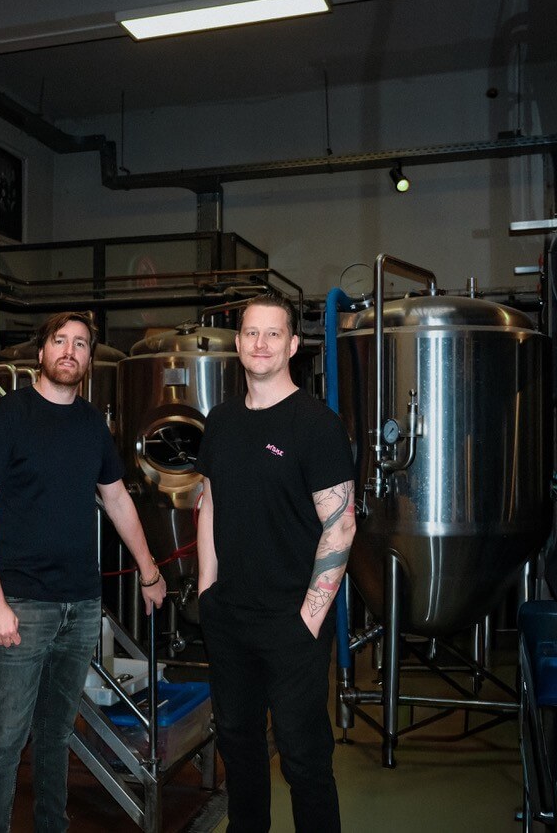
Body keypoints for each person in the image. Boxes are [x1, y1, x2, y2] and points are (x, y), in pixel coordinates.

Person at [0, 311, 167, 833]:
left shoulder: (91, 424)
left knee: (57, 734)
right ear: (42, 352)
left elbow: (117, 499)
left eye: (80, 344)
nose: (69, 351)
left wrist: (149, 571)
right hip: (22, 604)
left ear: (89, 359)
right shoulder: (8, 416)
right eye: (60, 341)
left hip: (81, 604)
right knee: (7, 740)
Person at [195, 294, 356, 833]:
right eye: (250, 333)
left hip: (292, 620)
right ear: (238, 343)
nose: (260, 343)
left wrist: (309, 617)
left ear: (292, 345)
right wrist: (207, 590)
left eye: (272, 333)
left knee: (303, 758)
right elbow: (210, 502)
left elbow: (341, 525)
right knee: (238, 749)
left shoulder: (317, 425)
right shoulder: (220, 421)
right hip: (229, 617)